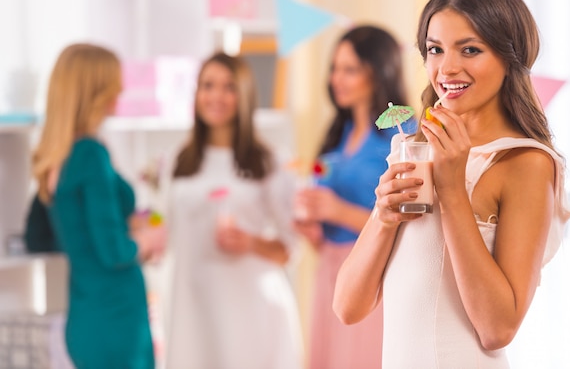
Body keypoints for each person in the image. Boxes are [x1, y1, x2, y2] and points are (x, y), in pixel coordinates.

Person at [333, 0, 570, 368]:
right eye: (435, 49)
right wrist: (383, 216)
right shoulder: (410, 150)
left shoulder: (524, 163)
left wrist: (452, 188)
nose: (447, 68)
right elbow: (347, 307)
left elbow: (497, 328)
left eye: (470, 49)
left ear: (510, 56)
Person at [162, 52, 302, 369]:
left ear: (244, 94)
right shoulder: (177, 161)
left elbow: (289, 250)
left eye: (228, 87)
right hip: (192, 310)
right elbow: (168, 234)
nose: (216, 96)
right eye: (207, 85)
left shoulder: (269, 162)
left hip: (251, 312)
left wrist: (251, 242)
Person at [31, 43, 167, 369]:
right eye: (114, 82)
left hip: (84, 313)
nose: (120, 89)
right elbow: (114, 251)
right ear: (96, 90)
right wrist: (147, 241)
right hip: (116, 318)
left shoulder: (55, 159)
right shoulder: (90, 155)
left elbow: (38, 237)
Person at [294, 25, 415, 369]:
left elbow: (410, 226)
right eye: (334, 68)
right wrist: (314, 228)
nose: (337, 78)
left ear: (378, 73)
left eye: (350, 69)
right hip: (330, 269)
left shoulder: (403, 136)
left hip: (372, 274)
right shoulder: (338, 134)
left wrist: (340, 211)